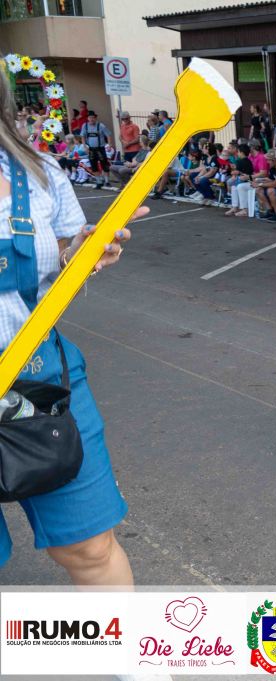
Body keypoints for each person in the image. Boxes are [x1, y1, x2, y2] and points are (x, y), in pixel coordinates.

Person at [0, 73, 141, 585]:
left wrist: (79, 256)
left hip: (38, 380)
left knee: (91, 548)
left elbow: (58, 268)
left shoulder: (40, 173)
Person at [80, 111, 111, 188]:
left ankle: (107, 181)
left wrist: (109, 145)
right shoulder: (85, 126)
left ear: (95, 118)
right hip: (91, 149)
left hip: (100, 148)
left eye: (93, 117)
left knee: (104, 165)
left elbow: (108, 135)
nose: (91, 119)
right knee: (93, 165)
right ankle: (99, 181)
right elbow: (82, 136)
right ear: (88, 118)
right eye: (90, 117)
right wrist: (85, 146)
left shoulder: (101, 126)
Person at [224, 143, 254, 217]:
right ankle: (235, 207)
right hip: (249, 181)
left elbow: (235, 173)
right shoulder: (249, 161)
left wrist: (233, 171)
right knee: (234, 187)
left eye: (238, 152)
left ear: (242, 153)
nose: (238, 153)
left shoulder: (239, 161)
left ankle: (245, 210)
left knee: (239, 186)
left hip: (248, 182)